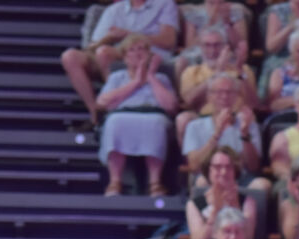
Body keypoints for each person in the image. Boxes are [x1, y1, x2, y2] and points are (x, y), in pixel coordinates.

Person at [60, 0, 178, 128]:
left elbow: (169, 41)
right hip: (121, 53)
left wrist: (128, 34)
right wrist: (108, 38)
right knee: (70, 57)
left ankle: (115, 105)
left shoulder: (164, 4)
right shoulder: (114, 10)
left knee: (104, 53)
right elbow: (92, 46)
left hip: (149, 52)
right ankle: (96, 112)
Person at [95, 36, 176, 197]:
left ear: (149, 55)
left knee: (155, 123)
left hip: (153, 114)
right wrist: (136, 82)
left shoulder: (161, 78)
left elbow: (171, 106)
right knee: (114, 122)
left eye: (141, 49)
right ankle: (115, 181)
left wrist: (150, 76)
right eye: (131, 50)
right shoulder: (117, 77)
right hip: (122, 114)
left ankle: (155, 182)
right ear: (125, 57)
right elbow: (102, 102)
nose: (137, 53)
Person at [178, 73, 262, 184]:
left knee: (262, 184)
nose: (224, 96)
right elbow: (194, 166)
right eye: (218, 92)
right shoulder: (194, 126)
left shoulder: (249, 125)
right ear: (209, 97)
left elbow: (253, 167)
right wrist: (217, 133)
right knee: (201, 182)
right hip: (208, 178)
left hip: (241, 179)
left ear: (236, 97)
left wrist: (245, 134)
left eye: (229, 92)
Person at [186, 147, 260, 239]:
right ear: (209, 170)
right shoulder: (194, 205)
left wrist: (235, 207)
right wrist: (216, 211)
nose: (224, 172)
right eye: (217, 167)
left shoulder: (247, 202)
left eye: (229, 167)